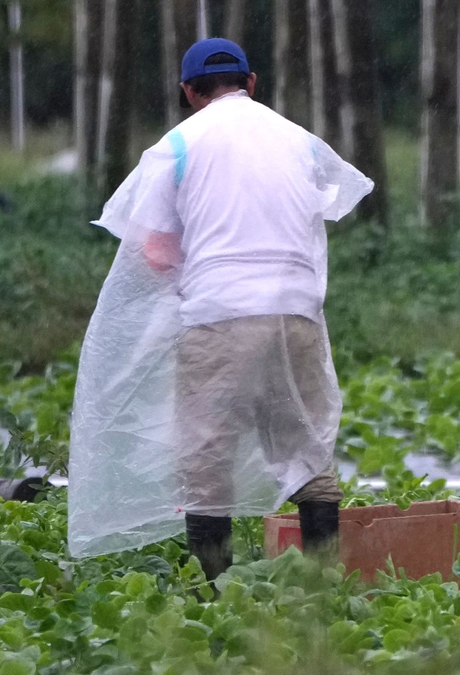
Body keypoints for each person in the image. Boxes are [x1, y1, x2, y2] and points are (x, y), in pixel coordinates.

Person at [67, 38, 373, 584]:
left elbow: (156, 249)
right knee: (304, 442)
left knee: (206, 455)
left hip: (220, 314)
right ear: (251, 83)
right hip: (297, 313)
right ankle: (325, 585)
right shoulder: (298, 140)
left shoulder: (180, 143)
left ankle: (215, 589)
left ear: (189, 92)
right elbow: (322, 206)